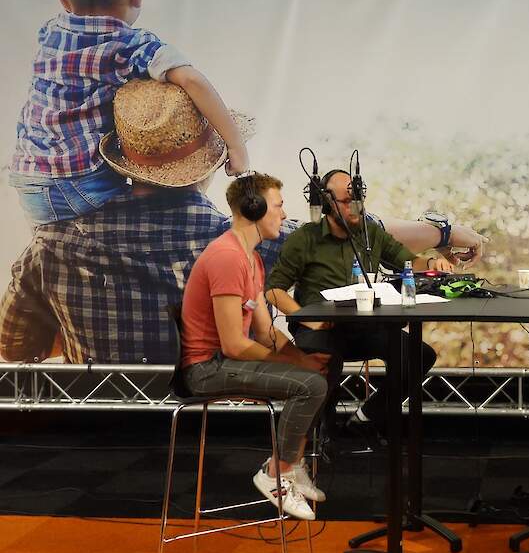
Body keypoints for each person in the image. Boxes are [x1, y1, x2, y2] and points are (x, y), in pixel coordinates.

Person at [0, 76, 489, 365]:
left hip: (89, 444)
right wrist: (445, 231)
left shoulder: (49, 244)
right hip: (208, 425)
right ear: (208, 164)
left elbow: (15, 351)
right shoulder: (226, 237)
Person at [9, 0, 249, 225]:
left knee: (54, 244)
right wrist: (235, 145)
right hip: (82, 182)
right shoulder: (129, 45)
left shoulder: (50, 32)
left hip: (28, 178)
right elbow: (191, 79)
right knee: (146, 220)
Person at [180, 171, 330, 520]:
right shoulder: (228, 257)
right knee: (311, 386)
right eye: (278, 206)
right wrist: (296, 367)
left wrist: (301, 358)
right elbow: (234, 344)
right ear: (254, 208)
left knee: (319, 372)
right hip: (206, 369)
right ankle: (276, 473)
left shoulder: (252, 259)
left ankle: (290, 464)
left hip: (222, 361)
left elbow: (266, 333)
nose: (284, 213)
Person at [265, 169, 453, 440]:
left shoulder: (370, 233)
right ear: (327, 203)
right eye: (345, 200)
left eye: (358, 198)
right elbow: (274, 290)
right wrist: (306, 319)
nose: (355, 206)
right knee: (326, 362)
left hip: (363, 328)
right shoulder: (304, 239)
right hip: (320, 330)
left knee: (419, 355)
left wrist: (433, 262)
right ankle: (316, 438)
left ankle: (368, 417)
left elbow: (408, 261)